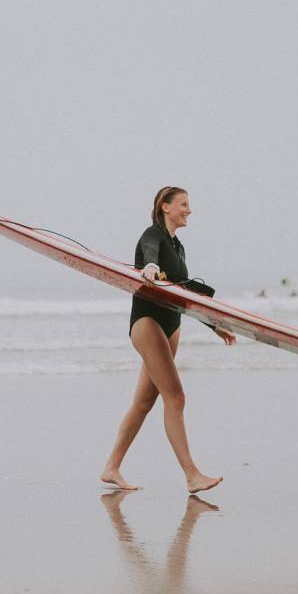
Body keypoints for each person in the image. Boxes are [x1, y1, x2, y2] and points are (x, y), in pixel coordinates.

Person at [101, 187, 235, 494]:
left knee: (144, 402)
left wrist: (215, 325)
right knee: (175, 397)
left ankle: (111, 468)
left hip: (172, 324)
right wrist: (148, 266)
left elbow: (185, 292)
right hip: (148, 323)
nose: (189, 210)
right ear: (165, 207)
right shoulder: (153, 235)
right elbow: (149, 251)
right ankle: (192, 475)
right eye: (184, 204)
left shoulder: (178, 247)